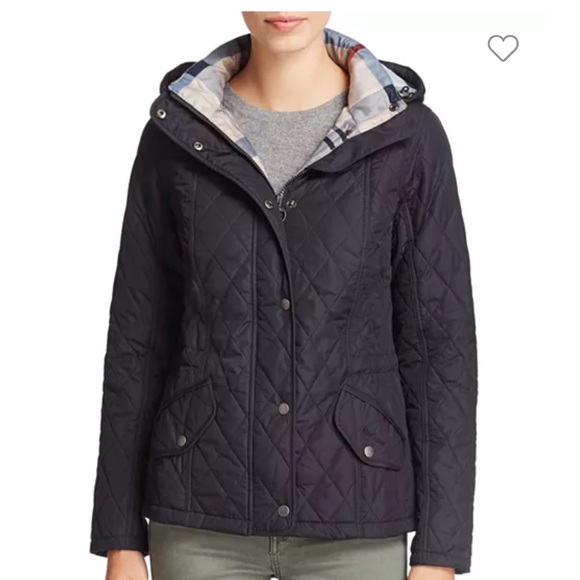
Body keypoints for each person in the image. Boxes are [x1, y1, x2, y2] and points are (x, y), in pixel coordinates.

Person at [89, 11, 478, 580]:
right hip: (200, 511)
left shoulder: (406, 134)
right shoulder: (176, 132)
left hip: (356, 512)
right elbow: (137, 340)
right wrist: (120, 537)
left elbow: (440, 350)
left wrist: (441, 552)